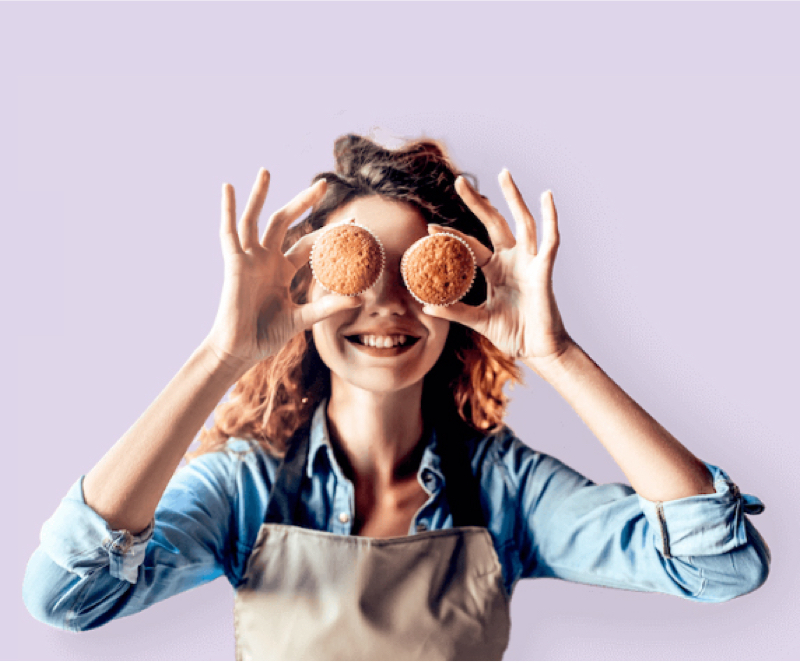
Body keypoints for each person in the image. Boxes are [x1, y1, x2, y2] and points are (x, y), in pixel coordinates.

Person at [23, 134, 770, 660]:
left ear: (455, 298)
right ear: (304, 294)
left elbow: (719, 565)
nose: (386, 307)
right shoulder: (245, 491)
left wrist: (557, 355)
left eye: (414, 277)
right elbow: (67, 594)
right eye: (356, 273)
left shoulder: (505, 492)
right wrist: (220, 357)